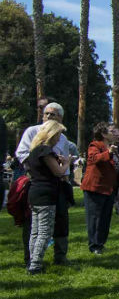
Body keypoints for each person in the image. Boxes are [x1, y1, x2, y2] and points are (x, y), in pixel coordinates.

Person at [15, 101, 72, 265]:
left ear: (60, 117)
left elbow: (63, 170)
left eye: (52, 114)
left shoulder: (63, 137)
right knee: (38, 228)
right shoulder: (33, 133)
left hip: (57, 184)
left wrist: (66, 183)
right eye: (46, 113)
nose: (47, 117)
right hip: (40, 182)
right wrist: (40, 166)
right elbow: (22, 153)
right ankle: (32, 261)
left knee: (60, 220)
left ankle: (59, 256)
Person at [25, 120, 71, 274]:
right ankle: (36, 265)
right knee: (45, 232)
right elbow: (59, 172)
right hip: (47, 194)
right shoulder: (45, 151)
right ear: (52, 134)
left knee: (35, 231)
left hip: (34, 192)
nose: (59, 139)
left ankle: (32, 260)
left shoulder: (34, 150)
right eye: (58, 135)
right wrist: (67, 163)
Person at [81, 122, 119, 255]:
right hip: (95, 187)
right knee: (94, 218)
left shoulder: (113, 147)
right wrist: (108, 153)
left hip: (108, 188)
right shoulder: (95, 145)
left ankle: (100, 243)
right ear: (104, 134)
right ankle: (94, 245)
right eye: (111, 131)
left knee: (105, 217)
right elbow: (93, 159)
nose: (114, 133)